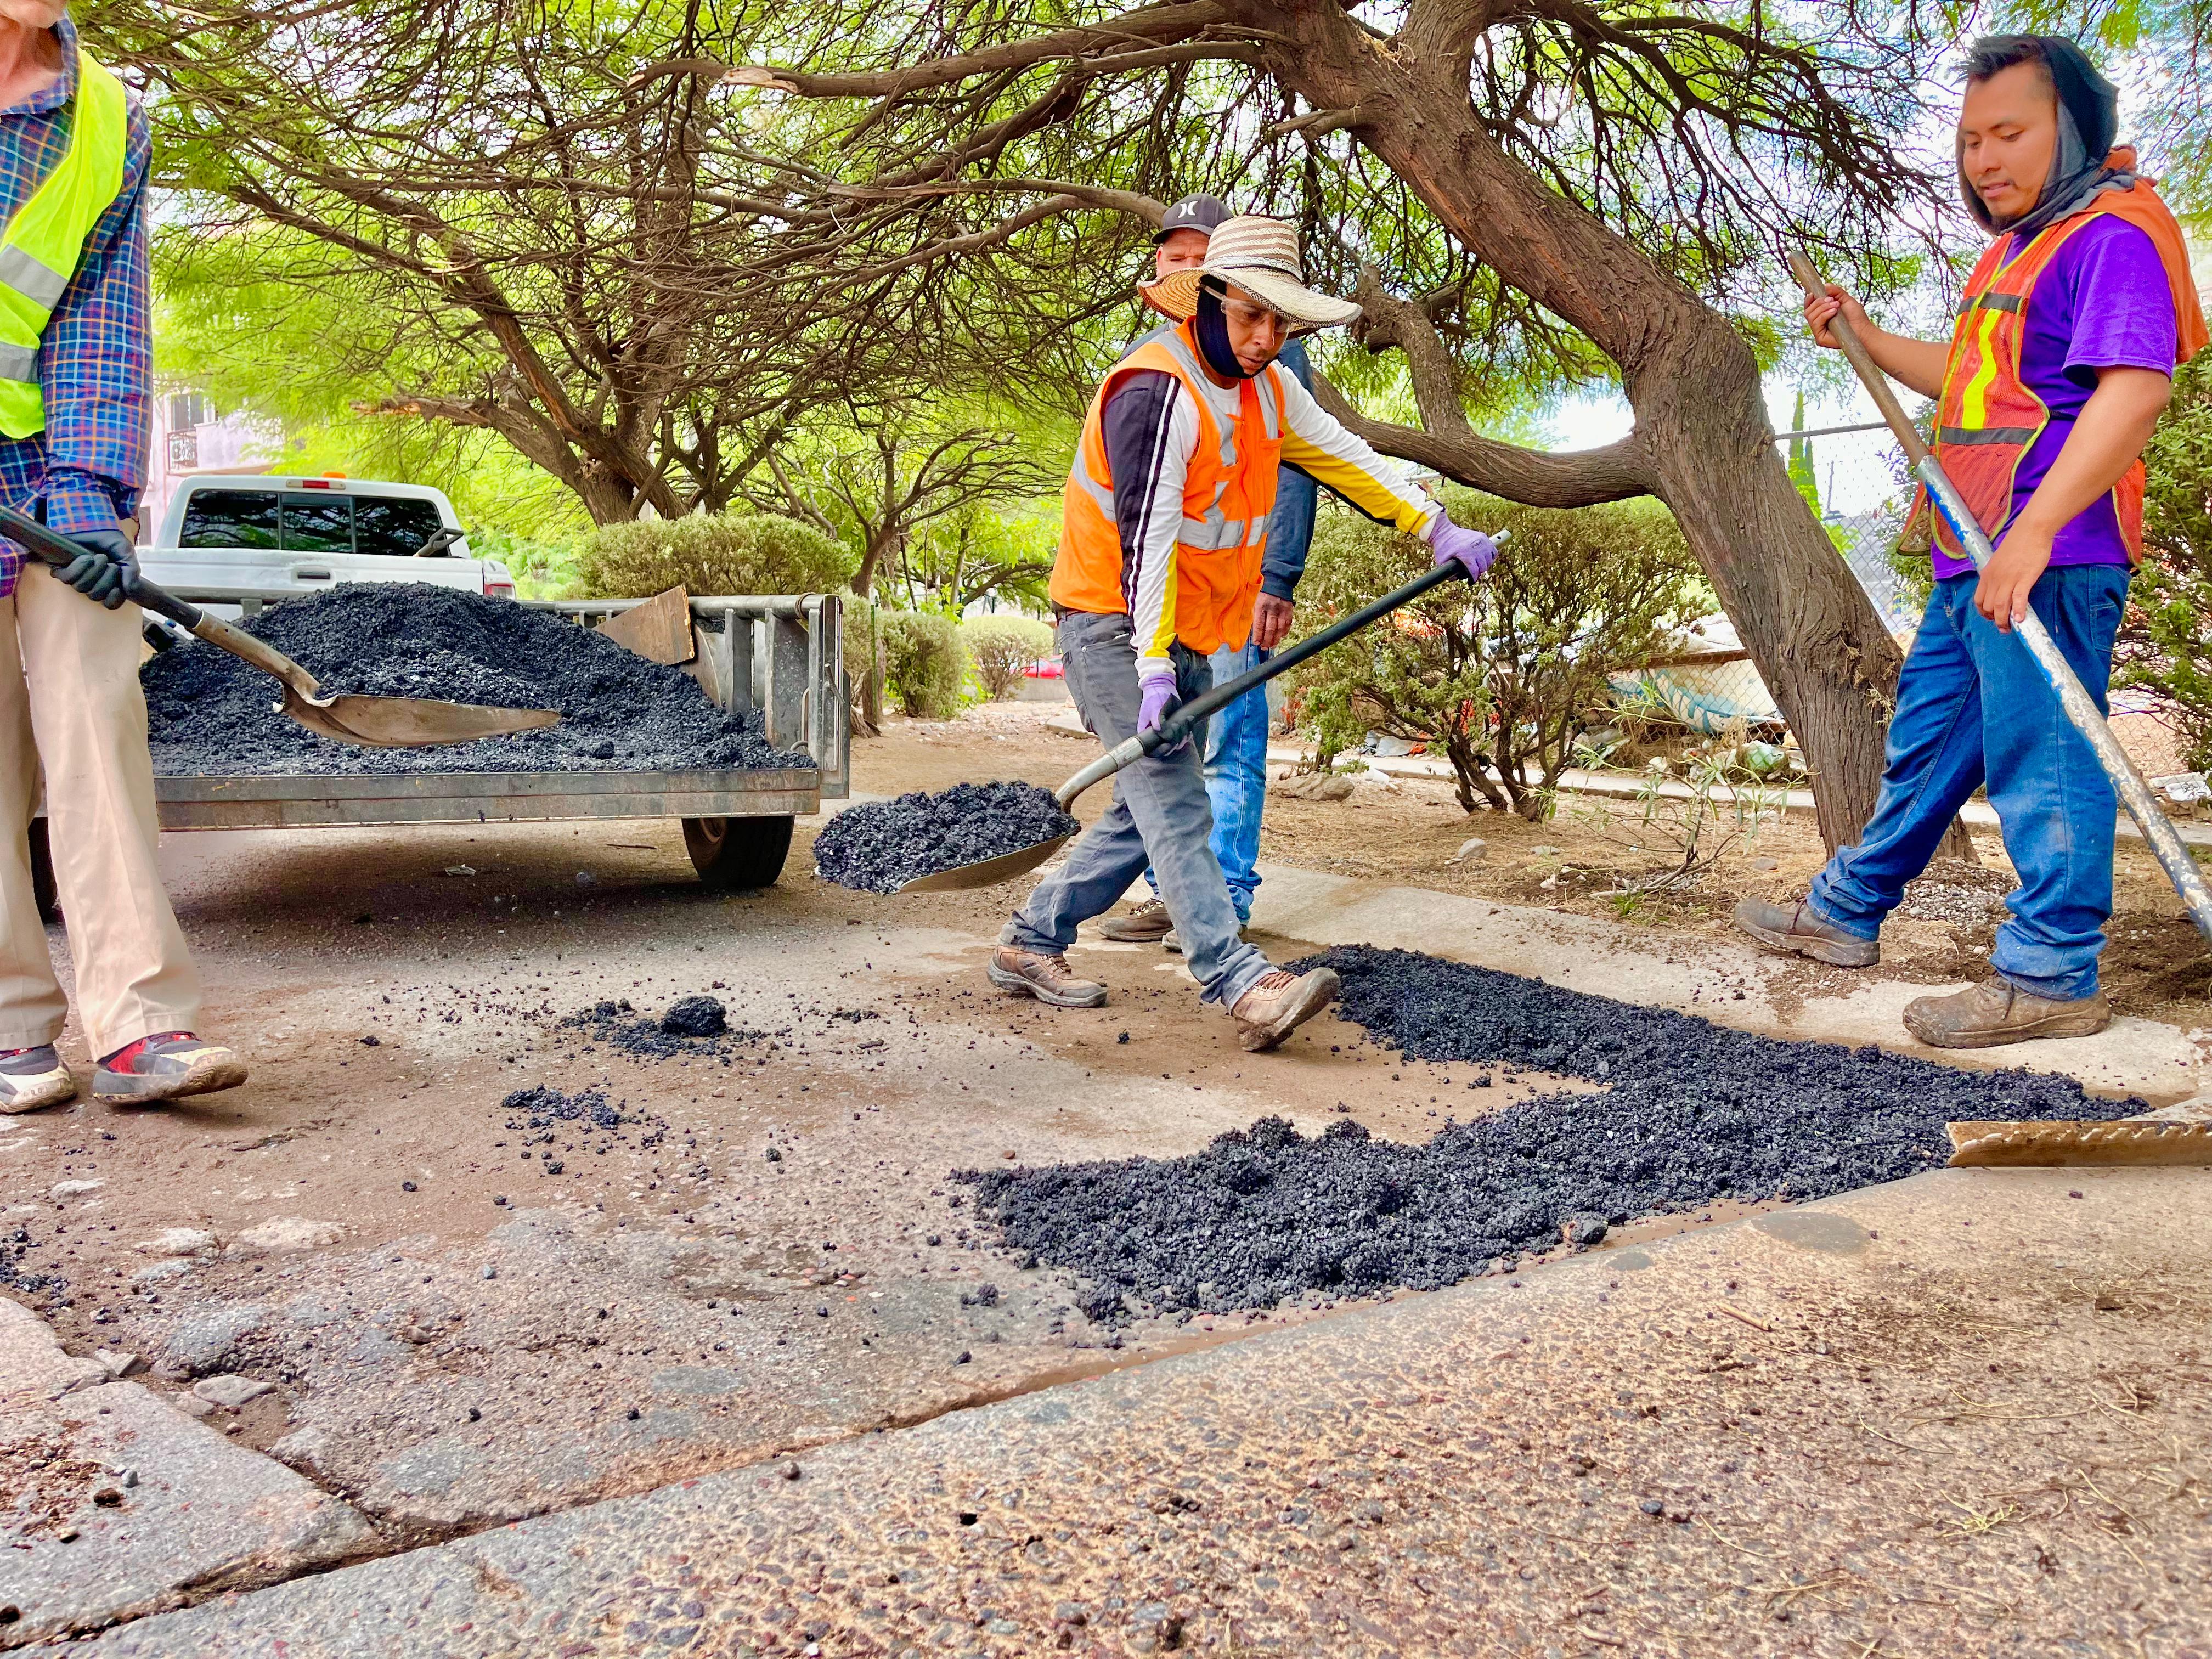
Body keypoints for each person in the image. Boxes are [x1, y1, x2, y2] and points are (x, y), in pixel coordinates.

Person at [1735, 33, 2205, 1048]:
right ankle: (1846, 912)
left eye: (2010, 134)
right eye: (1971, 140)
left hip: (2049, 547)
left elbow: (2135, 391)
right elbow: (1968, 374)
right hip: (1976, 544)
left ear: (2072, 130)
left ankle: (2052, 973)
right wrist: (1859, 335)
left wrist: (2033, 534)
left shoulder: (2112, 234)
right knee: (1931, 743)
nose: (1984, 159)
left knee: (2046, 753)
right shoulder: (2019, 247)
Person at [989, 216, 1498, 1049]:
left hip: (1186, 632)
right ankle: (1236, 978)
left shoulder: (1272, 389)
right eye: (1250, 317)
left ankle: (1028, 939)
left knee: (1141, 808)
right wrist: (1152, 667)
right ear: (1211, 299)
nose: (1266, 338)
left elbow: (1345, 455)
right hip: (1112, 622)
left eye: (1281, 321)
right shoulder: (1156, 391)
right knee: (1176, 796)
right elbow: (1145, 539)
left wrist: (1433, 524)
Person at [0, 0, 246, 1110]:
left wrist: (92, 496)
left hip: (49, 468)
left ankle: (140, 1025)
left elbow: (101, 317)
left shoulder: (106, 118)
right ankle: (8, 1030)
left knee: (100, 708)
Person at [1098, 194, 1321, 947]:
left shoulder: (1268, 347)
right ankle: (1176, 894)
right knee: (1172, 746)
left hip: (1238, 589)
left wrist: (1278, 577)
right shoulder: (1152, 362)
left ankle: (1226, 895)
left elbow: (1296, 468)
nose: (1190, 265)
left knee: (1230, 739)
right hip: (1174, 599)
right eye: (1177, 255)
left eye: (1204, 255)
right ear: (1163, 267)